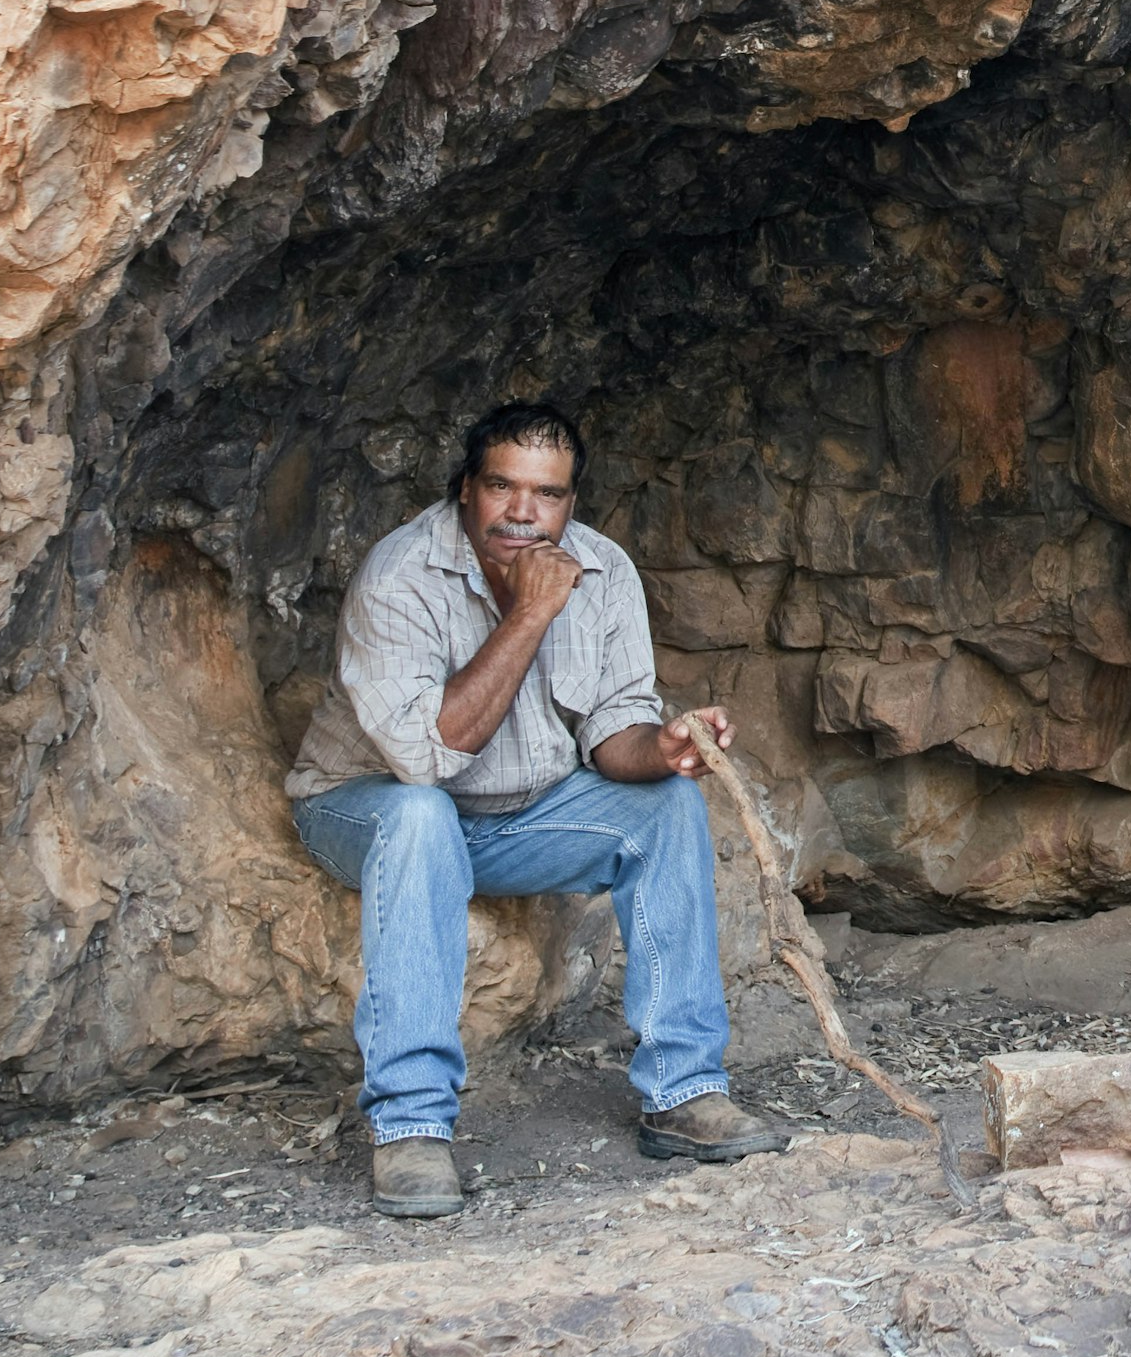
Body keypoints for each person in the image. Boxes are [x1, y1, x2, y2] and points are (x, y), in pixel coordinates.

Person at [284, 399, 787, 1216]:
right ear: (464, 492)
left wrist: (662, 746)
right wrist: (529, 610)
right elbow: (426, 759)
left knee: (666, 805)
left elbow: (613, 731)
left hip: (513, 821)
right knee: (421, 815)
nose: (523, 511)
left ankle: (684, 1091)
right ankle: (410, 1124)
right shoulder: (401, 573)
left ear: (570, 503)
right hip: (365, 812)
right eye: (501, 487)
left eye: (547, 494)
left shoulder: (603, 568)